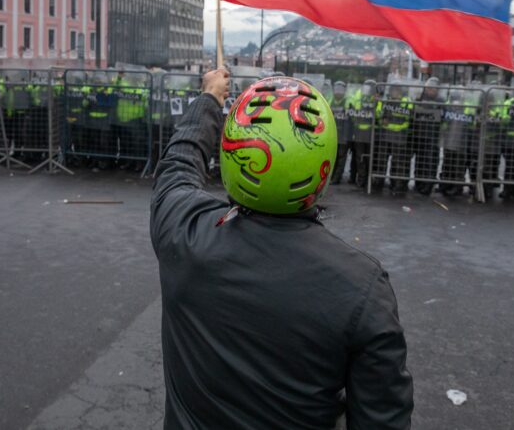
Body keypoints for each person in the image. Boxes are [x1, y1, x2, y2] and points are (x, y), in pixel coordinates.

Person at [152, 70, 413, 428]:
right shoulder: (362, 285)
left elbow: (179, 164)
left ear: (233, 155)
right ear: (324, 167)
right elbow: (383, 417)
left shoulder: (185, 230)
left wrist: (210, 98)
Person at [373, 83, 413, 195]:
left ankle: (396, 184)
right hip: (385, 134)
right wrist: (382, 119)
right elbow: (378, 113)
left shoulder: (407, 102)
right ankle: (378, 182)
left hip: (400, 135)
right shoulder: (386, 101)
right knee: (381, 160)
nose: (394, 93)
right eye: (393, 90)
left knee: (398, 162)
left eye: (397, 90)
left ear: (400, 91)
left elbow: (409, 116)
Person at [410, 77, 444, 195]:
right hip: (420, 135)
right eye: (429, 88)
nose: (431, 91)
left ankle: (427, 186)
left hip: (433, 137)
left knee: (430, 162)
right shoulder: (419, 98)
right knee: (420, 161)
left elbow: (443, 117)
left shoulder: (441, 101)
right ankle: (418, 182)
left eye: (433, 89)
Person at [348, 79, 376, 187]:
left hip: (370, 131)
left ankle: (368, 180)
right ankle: (361, 179)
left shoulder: (375, 97)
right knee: (359, 157)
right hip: (359, 130)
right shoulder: (358, 95)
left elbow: (378, 112)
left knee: (369, 157)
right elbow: (353, 109)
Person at [329, 80, 351, 184]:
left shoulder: (347, 102)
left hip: (343, 134)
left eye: (341, 90)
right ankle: (330, 176)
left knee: (341, 158)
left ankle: (337, 178)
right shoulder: (330, 100)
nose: (338, 92)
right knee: (332, 156)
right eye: (337, 89)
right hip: (333, 135)